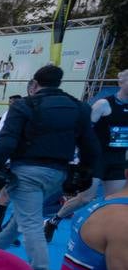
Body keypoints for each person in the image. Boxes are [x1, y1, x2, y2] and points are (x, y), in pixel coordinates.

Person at [0, 65, 99, 270]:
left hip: (27, 171)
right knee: (26, 214)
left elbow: (6, 142)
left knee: (31, 223)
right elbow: (90, 145)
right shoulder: (79, 107)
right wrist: (86, 171)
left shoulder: (24, 105)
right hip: (59, 173)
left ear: (35, 84)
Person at [45, 69, 128, 239]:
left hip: (118, 159)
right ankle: (54, 220)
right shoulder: (103, 104)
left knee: (114, 201)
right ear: (121, 82)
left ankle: (103, 235)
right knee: (85, 198)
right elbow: (82, 130)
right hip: (97, 158)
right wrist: (77, 155)